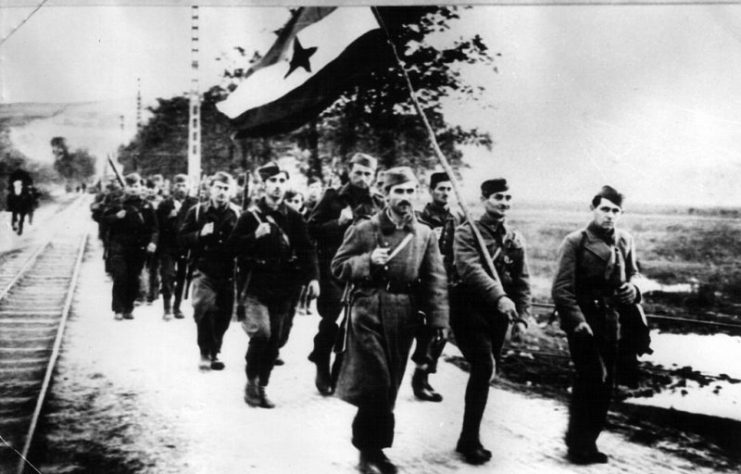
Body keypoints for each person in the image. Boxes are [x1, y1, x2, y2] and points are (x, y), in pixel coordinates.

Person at [331, 166, 448, 474]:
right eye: (399, 191)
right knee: (377, 383)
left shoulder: (423, 234)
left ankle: (374, 449)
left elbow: (435, 278)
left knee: (391, 384)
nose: (406, 198)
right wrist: (366, 261)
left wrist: (438, 321)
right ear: (385, 195)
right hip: (368, 308)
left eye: (411, 191)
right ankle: (370, 452)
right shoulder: (365, 229)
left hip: (404, 313)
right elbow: (338, 267)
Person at [552, 185, 646, 465]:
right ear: (592, 209)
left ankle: (587, 442)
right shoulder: (575, 241)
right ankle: (577, 442)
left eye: (615, 211)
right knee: (591, 377)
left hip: (612, 321)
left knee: (605, 385)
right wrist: (577, 321)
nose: (610, 215)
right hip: (584, 321)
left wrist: (634, 289)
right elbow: (561, 289)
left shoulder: (625, 240)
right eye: (605, 209)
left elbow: (634, 273)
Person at [451, 178, 531, 464]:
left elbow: (521, 280)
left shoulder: (514, 238)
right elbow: (469, 270)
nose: (504, 203)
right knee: (484, 365)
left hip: (499, 316)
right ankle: (470, 439)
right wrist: (499, 296)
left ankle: (467, 437)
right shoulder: (467, 232)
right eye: (498, 197)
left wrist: (522, 316)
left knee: (486, 373)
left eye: (508, 198)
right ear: (484, 199)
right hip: (468, 310)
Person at [226, 163, 319, 408]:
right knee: (262, 334)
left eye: (281, 181)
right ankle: (251, 380)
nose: (277, 186)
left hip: (285, 286)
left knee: (275, 340)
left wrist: (313, 278)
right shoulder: (250, 216)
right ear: (264, 185)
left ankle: (262, 386)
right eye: (273, 181)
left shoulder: (294, 217)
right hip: (256, 285)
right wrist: (253, 237)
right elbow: (231, 248)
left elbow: (306, 249)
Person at [307, 153, 384, 396]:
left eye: (367, 174)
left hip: (363, 271)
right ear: (349, 172)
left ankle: (338, 369)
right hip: (333, 268)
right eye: (358, 173)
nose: (362, 178)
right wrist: (337, 223)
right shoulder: (333, 197)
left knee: (354, 323)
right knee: (332, 317)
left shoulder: (378, 202)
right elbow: (310, 230)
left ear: (374, 176)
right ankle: (321, 360)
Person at [410, 171, 463, 402]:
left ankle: (423, 377)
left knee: (440, 331)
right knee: (424, 330)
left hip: (447, 282)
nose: (445, 193)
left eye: (449, 189)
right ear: (431, 191)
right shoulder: (419, 217)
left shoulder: (457, 219)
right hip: (422, 281)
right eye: (440, 188)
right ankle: (418, 375)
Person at [179, 171, 240, 371]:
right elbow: (181, 238)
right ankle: (205, 351)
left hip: (228, 272)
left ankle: (215, 350)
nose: (221, 192)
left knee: (223, 315)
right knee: (203, 309)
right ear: (210, 189)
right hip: (203, 269)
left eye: (225, 188)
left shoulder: (238, 214)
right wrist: (199, 234)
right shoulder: (197, 212)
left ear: (230, 191)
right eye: (218, 187)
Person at [101, 173, 158, 321]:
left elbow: (154, 228)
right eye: (130, 186)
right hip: (119, 247)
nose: (133, 189)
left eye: (136, 186)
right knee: (120, 277)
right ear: (125, 187)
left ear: (141, 187)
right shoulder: (117, 204)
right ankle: (118, 309)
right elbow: (103, 220)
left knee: (133, 278)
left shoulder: (146, 206)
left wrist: (153, 242)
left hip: (138, 248)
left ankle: (128, 308)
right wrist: (116, 217)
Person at [156, 174, 198, 320]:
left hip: (185, 247)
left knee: (183, 277)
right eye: (178, 186)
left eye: (184, 185)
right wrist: (169, 218)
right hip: (168, 246)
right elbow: (157, 226)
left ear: (189, 187)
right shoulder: (165, 205)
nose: (181, 189)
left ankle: (177, 307)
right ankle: (167, 308)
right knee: (167, 275)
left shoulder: (194, 204)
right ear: (173, 187)